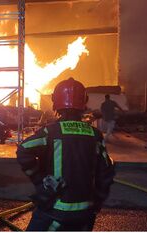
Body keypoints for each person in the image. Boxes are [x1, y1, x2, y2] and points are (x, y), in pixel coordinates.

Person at [16, 78, 115, 231]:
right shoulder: (95, 135)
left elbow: (23, 150)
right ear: (84, 103)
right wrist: (97, 202)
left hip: (54, 211)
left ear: (55, 102)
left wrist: (39, 180)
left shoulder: (51, 132)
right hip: (85, 213)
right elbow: (106, 172)